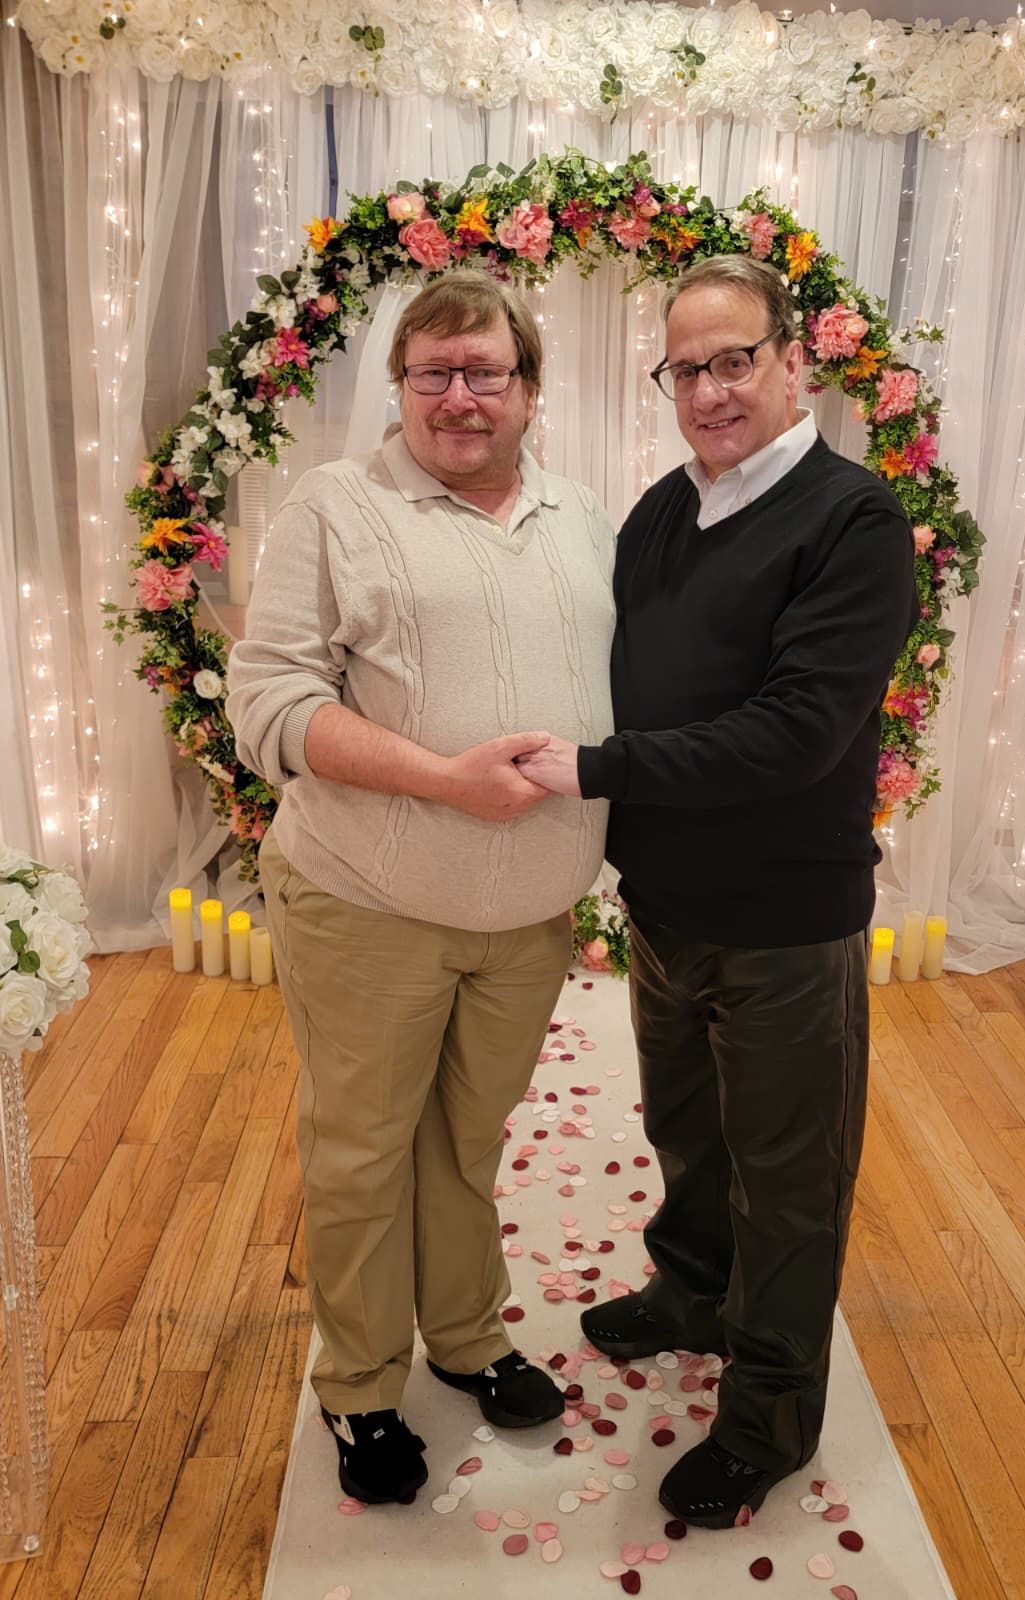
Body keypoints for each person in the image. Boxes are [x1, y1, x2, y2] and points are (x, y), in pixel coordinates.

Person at [516, 254, 918, 1528]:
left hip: (787, 922)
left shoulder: (852, 522)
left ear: (794, 359)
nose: (709, 388)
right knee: (688, 1134)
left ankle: (769, 1412)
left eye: (733, 357)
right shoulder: (659, 514)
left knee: (787, 1177)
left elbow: (794, 733)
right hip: (667, 905)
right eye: (685, 367)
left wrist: (588, 770)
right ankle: (690, 1290)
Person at [226, 270, 615, 1505]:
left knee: (466, 1142)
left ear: (530, 388)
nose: (459, 397)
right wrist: (444, 781)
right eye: (432, 373)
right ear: (396, 388)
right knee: (360, 1152)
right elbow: (270, 707)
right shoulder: (334, 507)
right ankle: (358, 1386)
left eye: (484, 372)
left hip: (529, 917)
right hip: (367, 903)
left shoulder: (583, 516)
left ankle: (467, 1338)